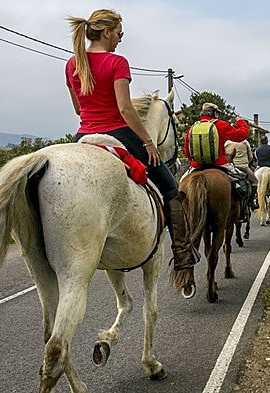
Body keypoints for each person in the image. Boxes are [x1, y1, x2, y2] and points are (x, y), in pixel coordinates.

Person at [65, 9, 198, 271]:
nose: (120, 39)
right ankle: (183, 254)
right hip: (118, 131)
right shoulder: (117, 63)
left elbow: (78, 110)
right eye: (119, 33)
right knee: (171, 188)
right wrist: (148, 142)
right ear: (106, 32)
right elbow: (125, 109)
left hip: (82, 136)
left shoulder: (72, 64)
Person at [183, 103, 249, 173]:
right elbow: (241, 135)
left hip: (196, 165)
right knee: (241, 179)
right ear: (215, 113)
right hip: (219, 163)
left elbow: (187, 151)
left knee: (182, 182)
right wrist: (240, 122)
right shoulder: (221, 125)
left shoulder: (192, 127)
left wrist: (196, 161)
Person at [225, 138, 259, 210]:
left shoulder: (227, 142)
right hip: (243, 166)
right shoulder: (245, 142)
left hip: (228, 166)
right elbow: (250, 157)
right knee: (255, 182)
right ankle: (251, 201)